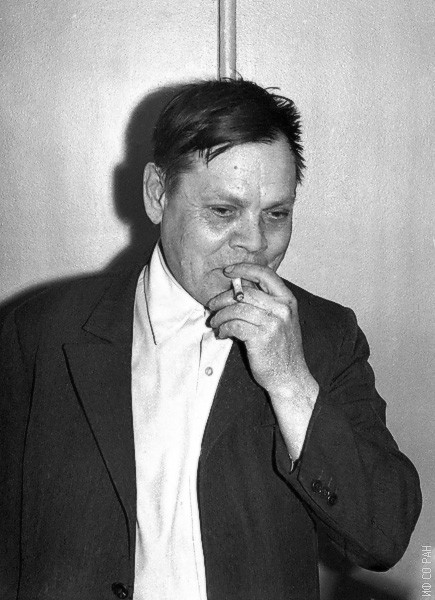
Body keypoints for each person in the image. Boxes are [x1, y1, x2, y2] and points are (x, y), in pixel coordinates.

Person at [0, 79, 421, 600]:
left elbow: (384, 539)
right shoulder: (41, 331)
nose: (255, 242)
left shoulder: (327, 335)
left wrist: (291, 381)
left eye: (276, 214)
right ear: (158, 194)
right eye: (223, 211)